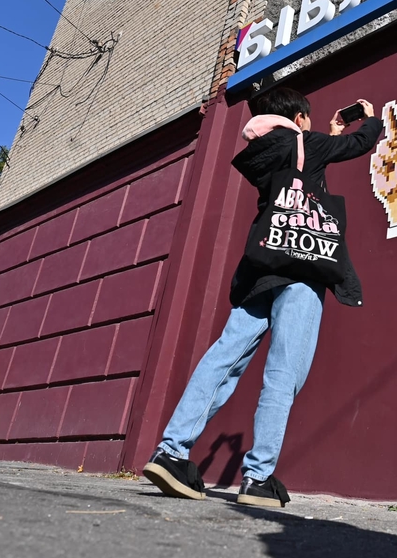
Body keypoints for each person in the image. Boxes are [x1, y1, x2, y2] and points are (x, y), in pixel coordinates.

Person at [143, 87, 382, 507]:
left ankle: (172, 452)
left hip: (262, 265)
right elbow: (359, 144)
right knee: (284, 372)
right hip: (303, 265)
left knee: (224, 357)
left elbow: (302, 175)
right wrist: (371, 118)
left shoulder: (263, 150)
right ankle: (257, 477)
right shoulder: (307, 143)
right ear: (299, 118)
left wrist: (327, 134)